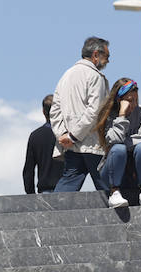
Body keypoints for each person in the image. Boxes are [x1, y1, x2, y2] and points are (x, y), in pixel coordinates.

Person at [50, 37, 110, 192]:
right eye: (107, 57)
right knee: (107, 187)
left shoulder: (66, 75)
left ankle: (52, 215)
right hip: (92, 142)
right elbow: (95, 111)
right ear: (96, 55)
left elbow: (55, 110)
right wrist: (73, 136)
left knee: (68, 183)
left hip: (71, 145)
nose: (108, 61)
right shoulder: (95, 76)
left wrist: (63, 135)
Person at [95, 78, 141, 208]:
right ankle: (114, 192)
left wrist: (124, 142)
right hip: (111, 169)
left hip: (135, 167)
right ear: (119, 100)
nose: (133, 104)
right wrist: (122, 115)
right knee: (119, 149)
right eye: (129, 100)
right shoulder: (109, 115)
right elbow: (113, 141)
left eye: (136, 100)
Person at [23, 94, 65, 194]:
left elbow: (28, 170)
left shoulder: (35, 136)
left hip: (44, 191)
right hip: (67, 188)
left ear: (43, 112)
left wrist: (31, 195)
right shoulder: (67, 135)